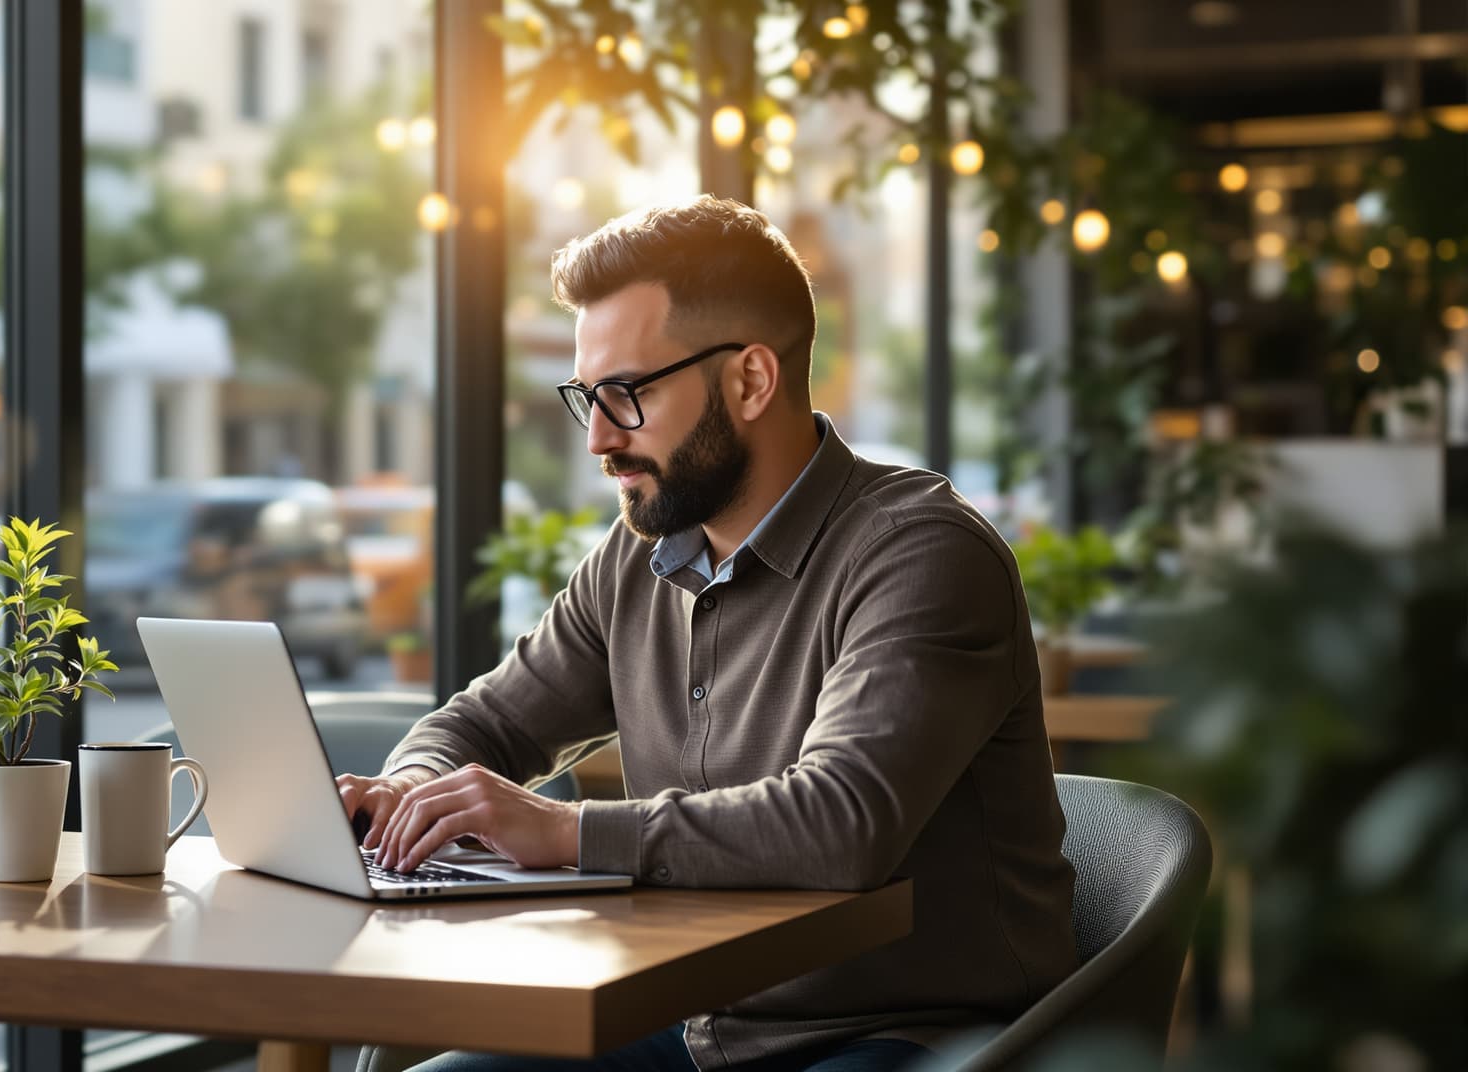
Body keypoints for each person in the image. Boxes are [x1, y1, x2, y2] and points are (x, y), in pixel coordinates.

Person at [337, 196, 1077, 1071]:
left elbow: (841, 822)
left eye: (628, 395)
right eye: (587, 398)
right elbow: (486, 724)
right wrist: (411, 793)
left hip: (910, 1033)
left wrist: (567, 832)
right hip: (694, 1024)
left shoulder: (921, 553)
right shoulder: (634, 558)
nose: (598, 439)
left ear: (751, 381)